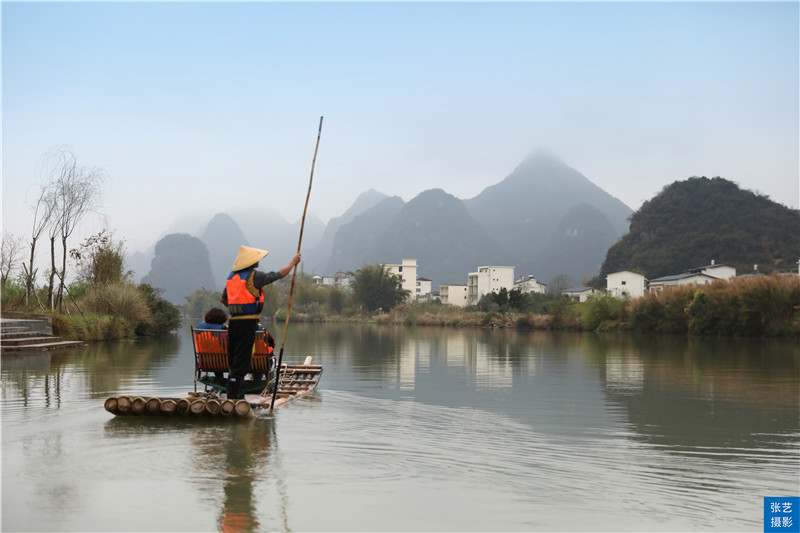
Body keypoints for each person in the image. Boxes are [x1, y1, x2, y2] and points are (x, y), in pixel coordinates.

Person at [220, 246, 301, 400]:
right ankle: (234, 399)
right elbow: (279, 274)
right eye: (256, 259)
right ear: (251, 262)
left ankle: (237, 396)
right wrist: (293, 262)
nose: (258, 261)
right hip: (247, 323)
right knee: (242, 361)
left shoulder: (232, 277)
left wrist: (237, 307)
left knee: (234, 360)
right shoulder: (253, 277)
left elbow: (223, 299)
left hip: (233, 322)